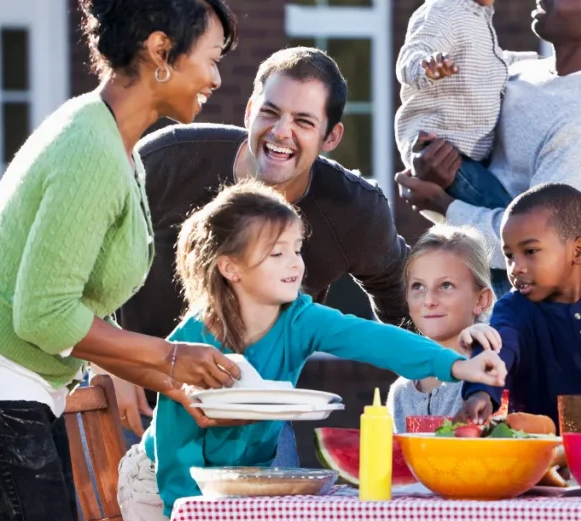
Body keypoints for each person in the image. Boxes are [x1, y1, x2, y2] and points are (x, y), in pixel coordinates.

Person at [0, 1, 245, 521]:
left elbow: (80, 314)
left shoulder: (118, 147)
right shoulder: (89, 147)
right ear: (161, 51)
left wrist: (172, 382)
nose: (216, 76)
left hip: (14, 393)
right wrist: (171, 356)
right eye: (210, 57)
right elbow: (44, 315)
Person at [115, 182, 506, 521]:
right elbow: (176, 438)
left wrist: (454, 365)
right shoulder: (196, 339)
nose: (295, 263)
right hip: (162, 486)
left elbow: (376, 339)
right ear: (230, 267)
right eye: (277, 253)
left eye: (297, 250)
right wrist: (185, 510)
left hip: (240, 485)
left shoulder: (301, 319)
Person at [112, 47, 412, 452]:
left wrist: (448, 376)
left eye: (304, 121)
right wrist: (109, 361)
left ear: (331, 136)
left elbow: (407, 304)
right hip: (136, 397)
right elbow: (81, 255)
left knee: (273, 515)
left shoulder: (355, 210)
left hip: (257, 412)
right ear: (250, 110)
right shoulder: (168, 159)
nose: (281, 132)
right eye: (270, 112)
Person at [397, 0, 581, 297]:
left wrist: (442, 205)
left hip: (547, 313)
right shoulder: (516, 71)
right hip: (484, 288)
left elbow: (541, 240)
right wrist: (427, 160)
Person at [455, 183, 581, 426]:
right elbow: (498, 347)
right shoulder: (515, 308)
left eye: (530, 251)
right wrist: (480, 392)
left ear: (579, 251)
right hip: (538, 450)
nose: (515, 267)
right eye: (509, 255)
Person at [394, 0, 539, 222]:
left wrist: (536, 62)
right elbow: (411, 55)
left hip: (470, 153)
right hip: (444, 154)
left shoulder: (479, 17)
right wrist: (428, 66)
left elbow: (492, 62)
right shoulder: (444, 9)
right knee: (514, 220)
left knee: (509, 220)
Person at [386, 226, 497, 433]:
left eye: (446, 285)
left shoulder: (493, 375)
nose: (428, 300)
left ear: (481, 299)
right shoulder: (400, 391)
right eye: (418, 286)